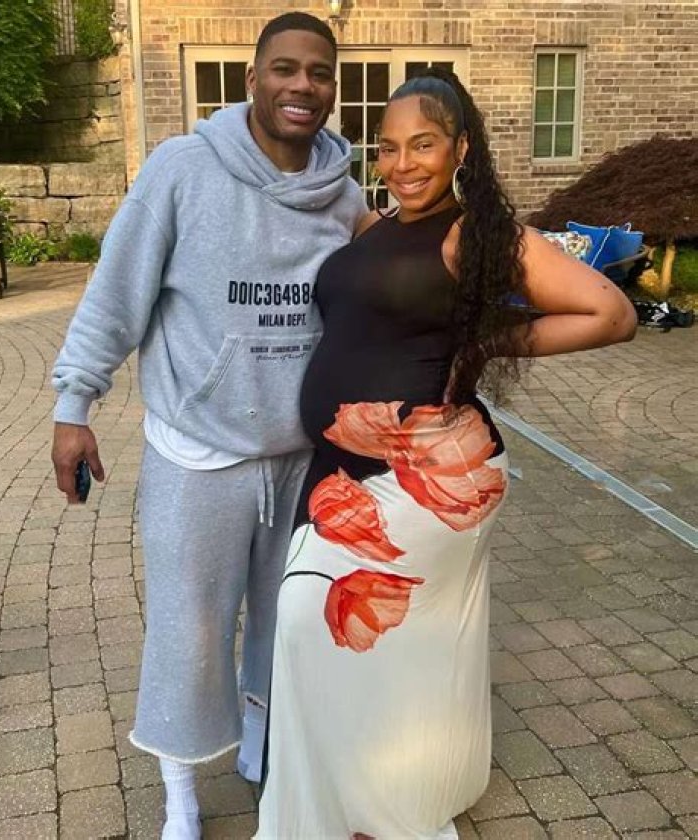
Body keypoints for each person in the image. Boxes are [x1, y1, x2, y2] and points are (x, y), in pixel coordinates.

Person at [255, 68, 637, 839]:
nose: (403, 164)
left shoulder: (477, 233)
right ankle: (391, 780)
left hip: (426, 475)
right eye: (388, 147)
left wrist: (489, 343)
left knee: (305, 616)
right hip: (346, 470)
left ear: (461, 148)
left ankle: (359, 809)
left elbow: (611, 312)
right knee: (403, 641)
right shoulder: (374, 228)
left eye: (423, 144)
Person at [50, 12, 365, 840]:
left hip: (302, 460)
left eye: (319, 72)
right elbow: (116, 292)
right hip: (198, 455)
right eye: (285, 68)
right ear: (253, 78)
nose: (302, 85)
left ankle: (266, 761)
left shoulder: (345, 197)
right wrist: (73, 405)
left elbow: (382, 301)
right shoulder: (182, 169)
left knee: (288, 629)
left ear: (333, 88)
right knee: (189, 638)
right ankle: (181, 795)